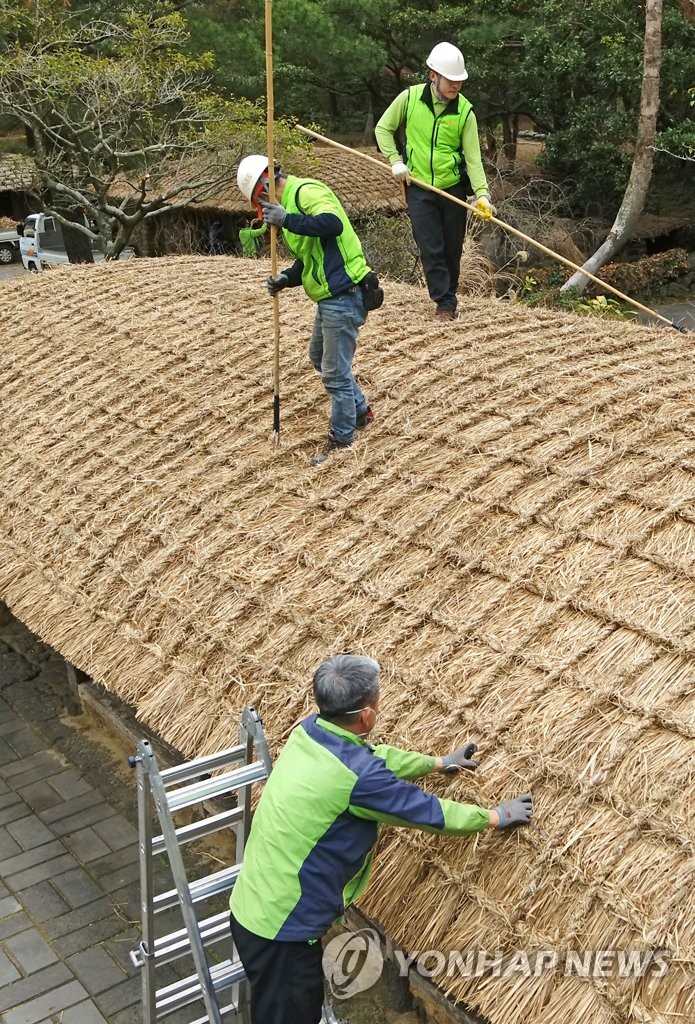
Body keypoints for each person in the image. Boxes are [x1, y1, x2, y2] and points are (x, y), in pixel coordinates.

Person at [229, 653, 534, 1024]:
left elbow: (375, 758)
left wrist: (436, 762)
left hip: (253, 904)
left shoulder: (310, 731)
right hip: (282, 932)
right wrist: (494, 816)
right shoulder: (356, 777)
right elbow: (426, 812)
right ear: (368, 716)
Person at [236, 155, 380, 466]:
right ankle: (360, 410)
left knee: (334, 373)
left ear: (263, 188)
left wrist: (288, 219)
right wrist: (286, 278)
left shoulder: (306, 193)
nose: (260, 210)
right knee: (318, 357)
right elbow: (310, 258)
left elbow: (332, 223)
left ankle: (342, 439)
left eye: (258, 202)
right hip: (329, 297)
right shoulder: (289, 210)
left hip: (345, 294)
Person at [375, 41, 495, 322]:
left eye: (460, 81)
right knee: (430, 246)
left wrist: (482, 194)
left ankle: (448, 294)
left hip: (452, 188)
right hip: (419, 187)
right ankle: (444, 303)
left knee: (452, 249)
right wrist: (395, 160)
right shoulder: (409, 98)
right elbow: (383, 128)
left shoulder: (465, 112)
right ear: (433, 75)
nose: (456, 86)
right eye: (451, 80)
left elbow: (473, 158)